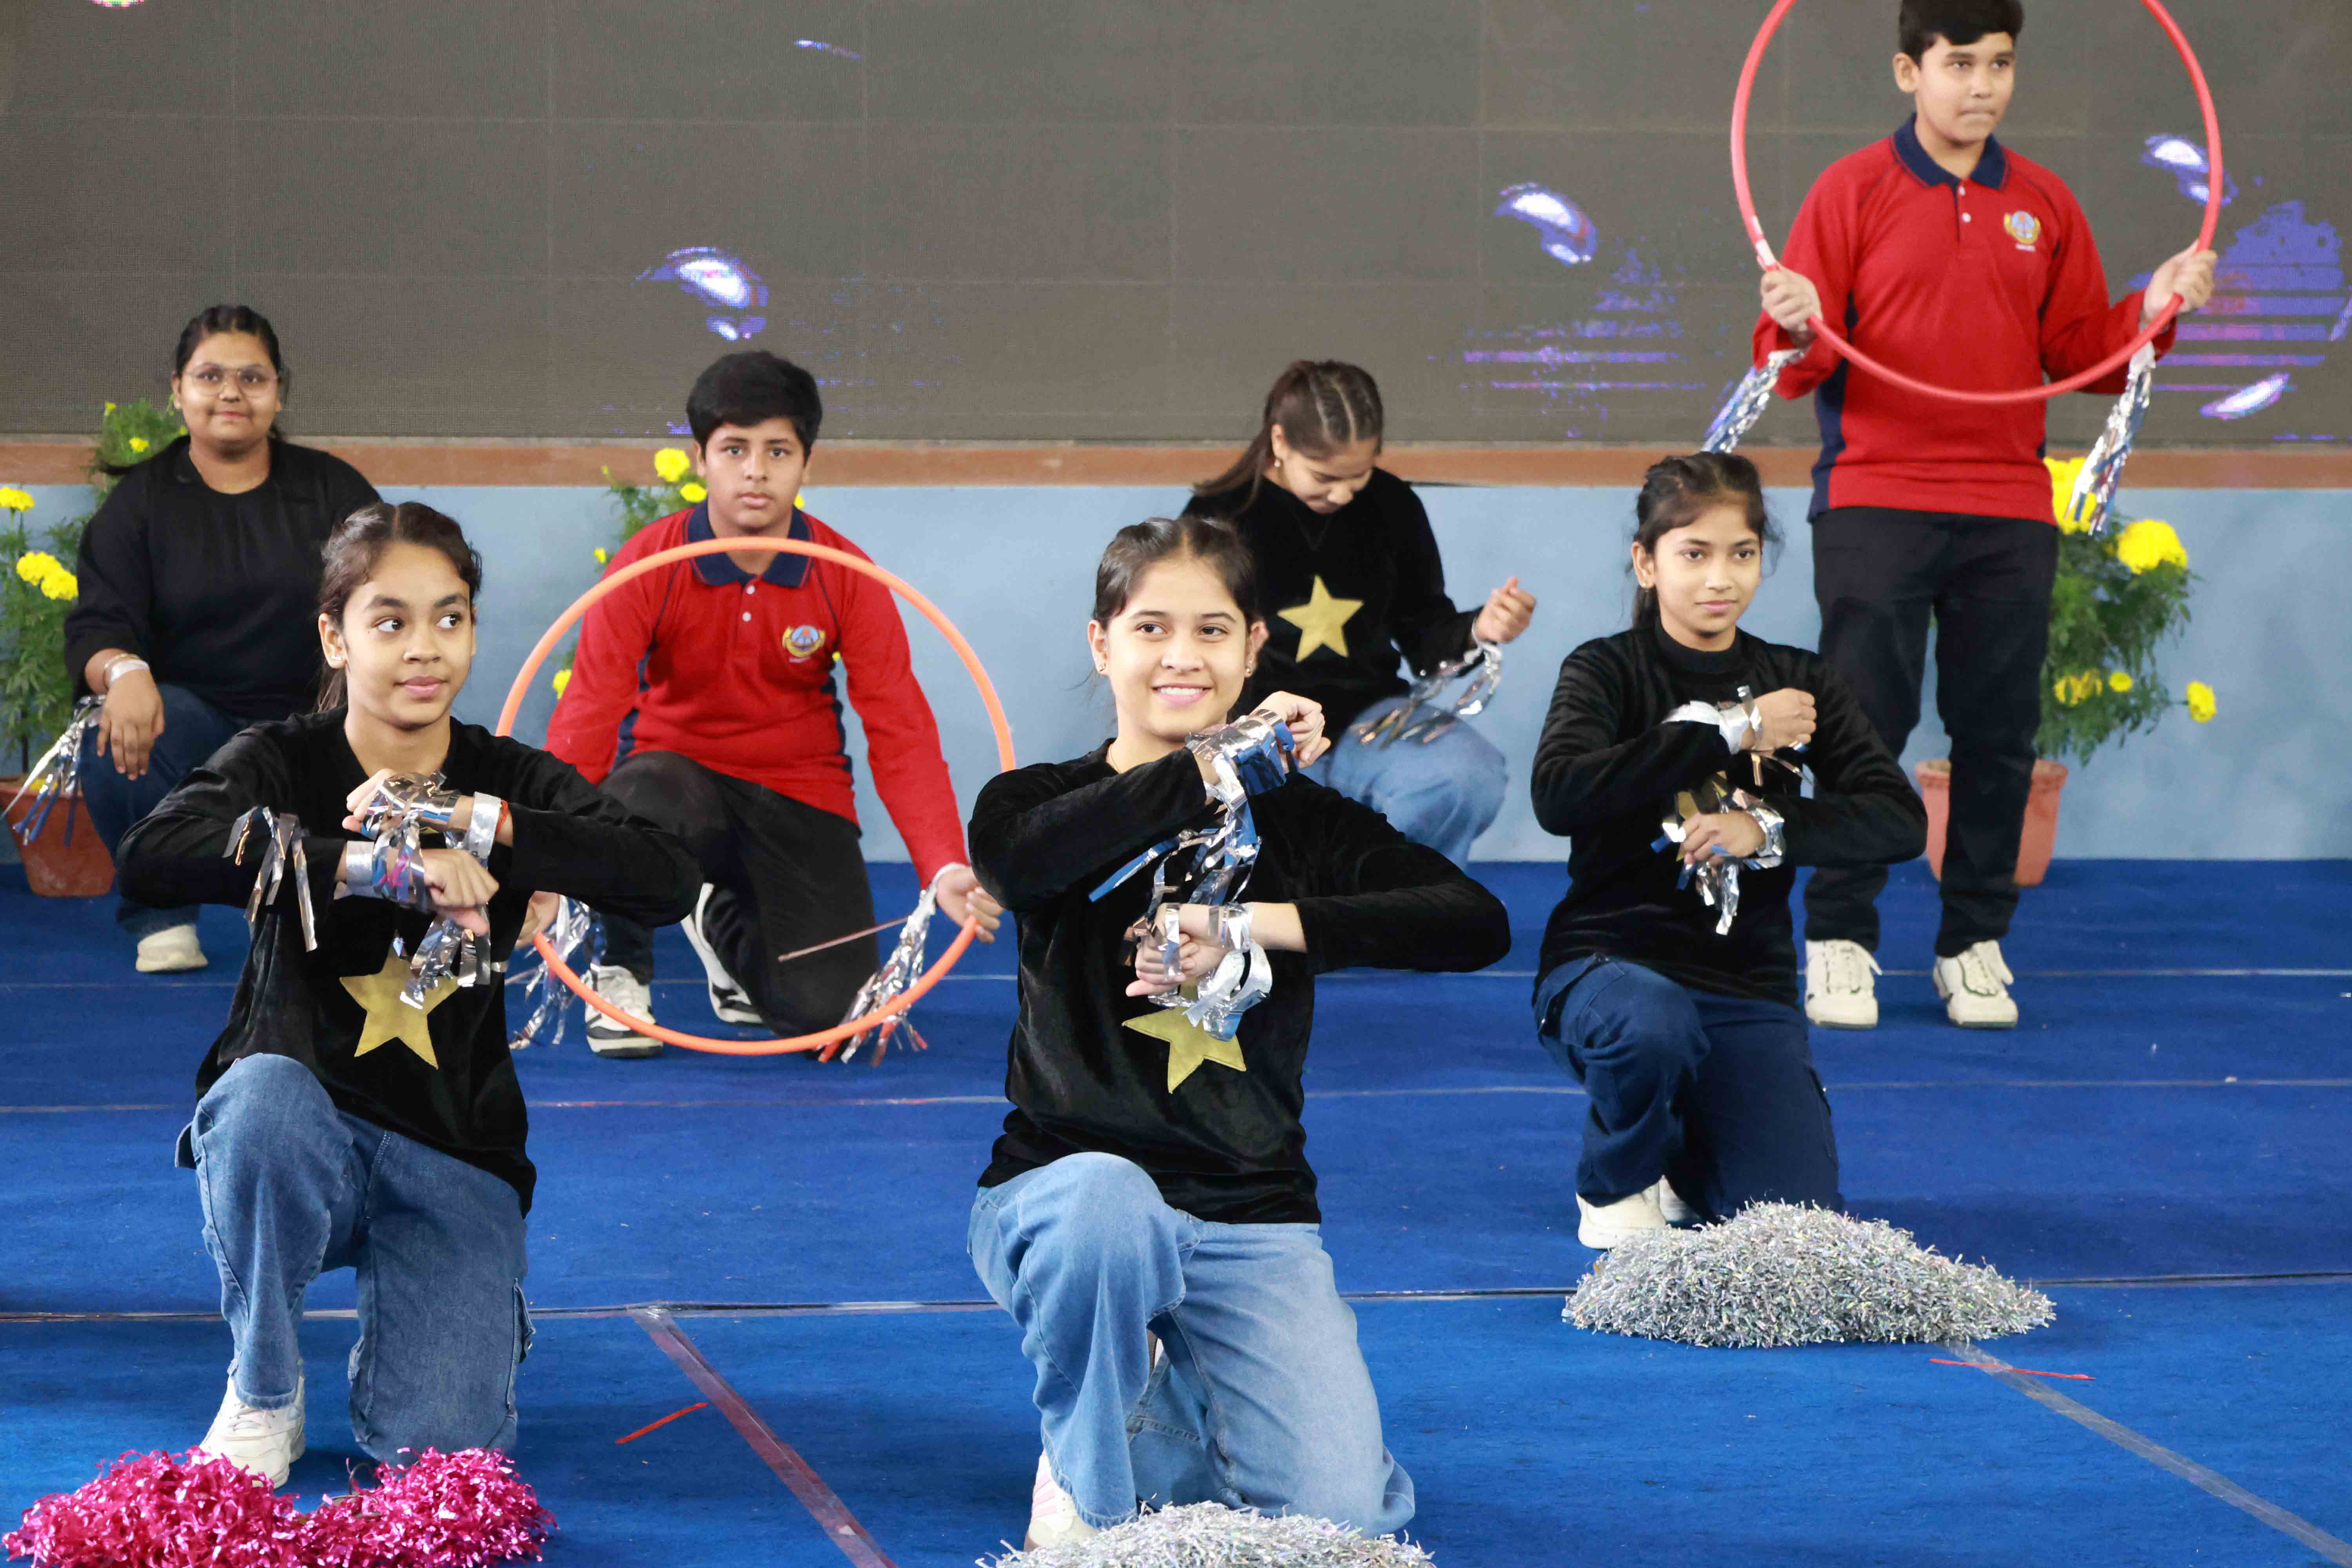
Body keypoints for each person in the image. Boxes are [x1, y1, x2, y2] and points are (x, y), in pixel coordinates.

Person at [115, 503, 699, 1486]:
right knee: (259, 1102)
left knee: (441, 1457)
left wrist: (488, 822)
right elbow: (153, 853)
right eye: (390, 621)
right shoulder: (283, 759)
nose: (424, 648)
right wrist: (378, 866)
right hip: (303, 1124)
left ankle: (439, 1313)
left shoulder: (503, 777)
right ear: (335, 637)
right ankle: (264, 1384)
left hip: (452, 1147)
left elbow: (666, 876)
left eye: (450, 618)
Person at [965, 515, 1511, 1547]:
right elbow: (1020, 865)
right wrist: (1218, 763)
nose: (1182, 656)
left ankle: (1152, 1402)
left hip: (1250, 1213)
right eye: (1151, 628)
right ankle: (1088, 1477)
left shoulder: (1304, 822)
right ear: (1101, 644)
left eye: (1213, 631)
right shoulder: (1037, 801)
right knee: (1105, 1206)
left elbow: (1474, 921)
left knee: (1339, 1521)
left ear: (1255, 648)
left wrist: (1252, 924)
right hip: (1066, 1198)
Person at [1753, 0, 2216, 1029]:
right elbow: (1799, 364)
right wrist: (1790, 324)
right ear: (1908, 72)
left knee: (1999, 732)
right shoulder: (1850, 190)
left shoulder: (2043, 202)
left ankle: (1972, 944)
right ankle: (1839, 938)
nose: (1982, 85)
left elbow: (2081, 353)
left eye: (1999, 64)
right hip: (1876, 494)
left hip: (2008, 501)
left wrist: (2153, 308)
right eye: (1959, 63)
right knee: (1861, 726)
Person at [544, 350, 1002, 1057]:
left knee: (827, 1014)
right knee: (642, 797)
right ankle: (623, 967)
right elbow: (589, 712)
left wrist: (944, 863)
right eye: (735, 449)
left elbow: (900, 727)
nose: (755, 471)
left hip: (799, 793)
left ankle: (718, 920)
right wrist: (542, 855)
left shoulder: (845, 574)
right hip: (675, 786)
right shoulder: (650, 562)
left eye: (777, 451)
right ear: (701, 459)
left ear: (806, 464)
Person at [1528, 455, 1926, 1249]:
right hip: (1611, 967)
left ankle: (1684, 1145)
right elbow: (1559, 795)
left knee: (1792, 1226)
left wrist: (1769, 825)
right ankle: (1618, 1180)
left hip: (1746, 987)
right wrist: (1731, 730)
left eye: (1742, 553)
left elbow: (1898, 819)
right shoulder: (1606, 669)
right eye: (1694, 553)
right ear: (1647, 563)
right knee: (1652, 1025)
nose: (1720, 578)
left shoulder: (1799, 681)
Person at [65, 305, 381, 974]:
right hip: (192, 724)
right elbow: (98, 626)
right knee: (112, 728)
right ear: (178, 390)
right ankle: (161, 916)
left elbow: (385, 596)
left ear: (279, 392)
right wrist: (123, 672)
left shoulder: (332, 489)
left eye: (252, 377)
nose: (231, 393)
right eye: (210, 376)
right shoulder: (141, 504)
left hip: (316, 721)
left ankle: (327, 896)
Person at [1183, 361, 1537, 867]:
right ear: (1280, 442)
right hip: (1256, 723)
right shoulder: (1217, 517)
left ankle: (1408, 900)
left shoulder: (1393, 504)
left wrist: (1481, 629)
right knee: (1265, 825)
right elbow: (1188, 648)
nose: (1344, 494)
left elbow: (1425, 632)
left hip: (1368, 719)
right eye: (1325, 477)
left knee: (1465, 776)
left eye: (1359, 475)